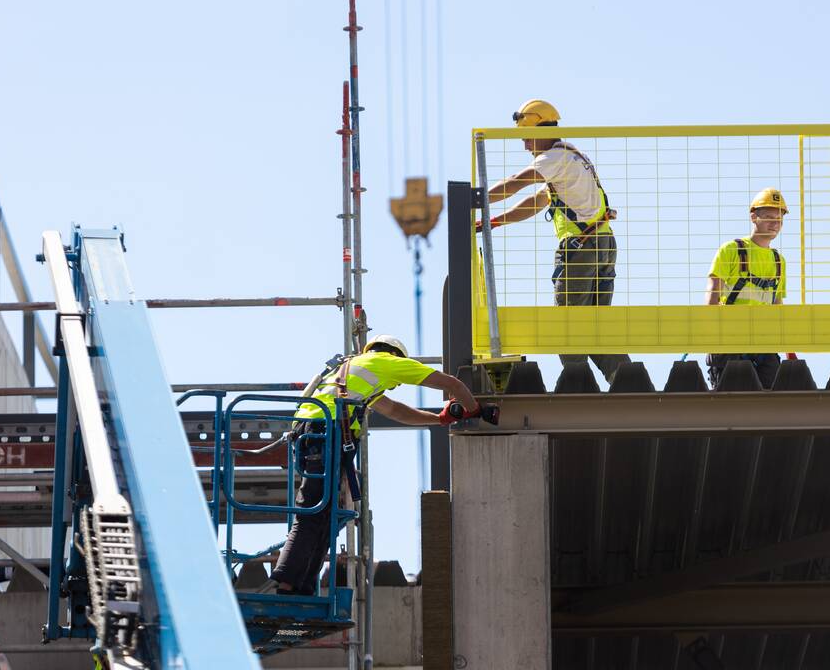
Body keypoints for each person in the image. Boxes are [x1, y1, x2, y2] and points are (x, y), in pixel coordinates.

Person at [261, 334, 478, 595]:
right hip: (326, 432)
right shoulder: (387, 363)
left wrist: (439, 419)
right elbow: (450, 383)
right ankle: (286, 582)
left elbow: (397, 411)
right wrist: (474, 409)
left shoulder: (354, 371)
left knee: (325, 511)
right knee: (311, 510)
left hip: (313, 433)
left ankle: (303, 584)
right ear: (396, 355)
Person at [480, 99, 629, 382]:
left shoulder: (552, 158)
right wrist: (494, 221)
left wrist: (475, 200)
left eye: (526, 137)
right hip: (602, 244)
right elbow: (535, 202)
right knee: (595, 328)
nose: (525, 145)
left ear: (540, 131)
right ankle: (629, 382)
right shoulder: (570, 157)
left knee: (566, 325)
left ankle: (578, 386)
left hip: (581, 249)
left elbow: (516, 182)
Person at [704, 187, 788, 389]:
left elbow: (777, 306)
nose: (774, 223)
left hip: (763, 346)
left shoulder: (778, 261)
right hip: (728, 343)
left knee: (770, 406)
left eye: (778, 218)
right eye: (768, 217)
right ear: (753, 217)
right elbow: (711, 300)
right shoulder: (731, 250)